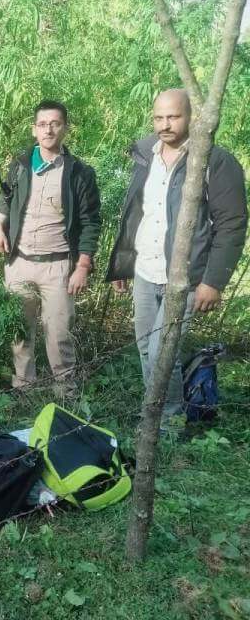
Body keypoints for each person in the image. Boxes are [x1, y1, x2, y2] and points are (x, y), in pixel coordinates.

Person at [105, 89, 248, 419]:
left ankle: (166, 423)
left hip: (185, 278)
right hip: (144, 270)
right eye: (159, 117)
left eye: (173, 116)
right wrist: (124, 265)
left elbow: (232, 224)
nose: (165, 124)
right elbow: (135, 213)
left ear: (191, 117)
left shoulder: (215, 160)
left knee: (161, 355)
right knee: (145, 350)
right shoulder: (145, 154)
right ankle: (158, 415)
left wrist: (213, 282)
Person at [0, 101, 101, 399]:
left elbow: (91, 222)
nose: (49, 129)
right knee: (19, 334)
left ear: (65, 128)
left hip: (59, 266)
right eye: (43, 124)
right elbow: (5, 198)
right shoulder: (21, 164)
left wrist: (83, 266)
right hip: (20, 262)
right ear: (34, 129)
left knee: (59, 335)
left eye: (55, 123)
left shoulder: (79, 173)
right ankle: (24, 391)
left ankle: (66, 396)